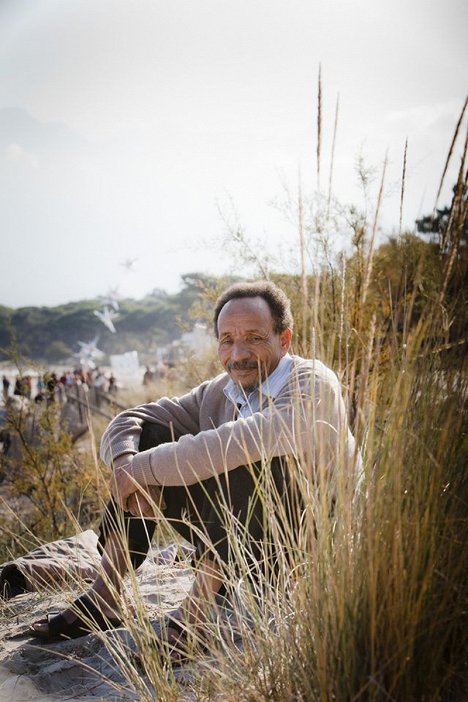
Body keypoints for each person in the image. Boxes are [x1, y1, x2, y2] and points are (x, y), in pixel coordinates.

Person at [31, 281, 359, 653]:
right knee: (152, 434)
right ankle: (106, 594)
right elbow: (130, 419)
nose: (238, 353)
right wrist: (126, 464)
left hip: (304, 547)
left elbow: (238, 442)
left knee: (246, 458)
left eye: (253, 338)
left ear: (284, 340)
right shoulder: (221, 389)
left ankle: (197, 614)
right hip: (236, 543)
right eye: (227, 340)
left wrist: (142, 471)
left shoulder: (314, 382)